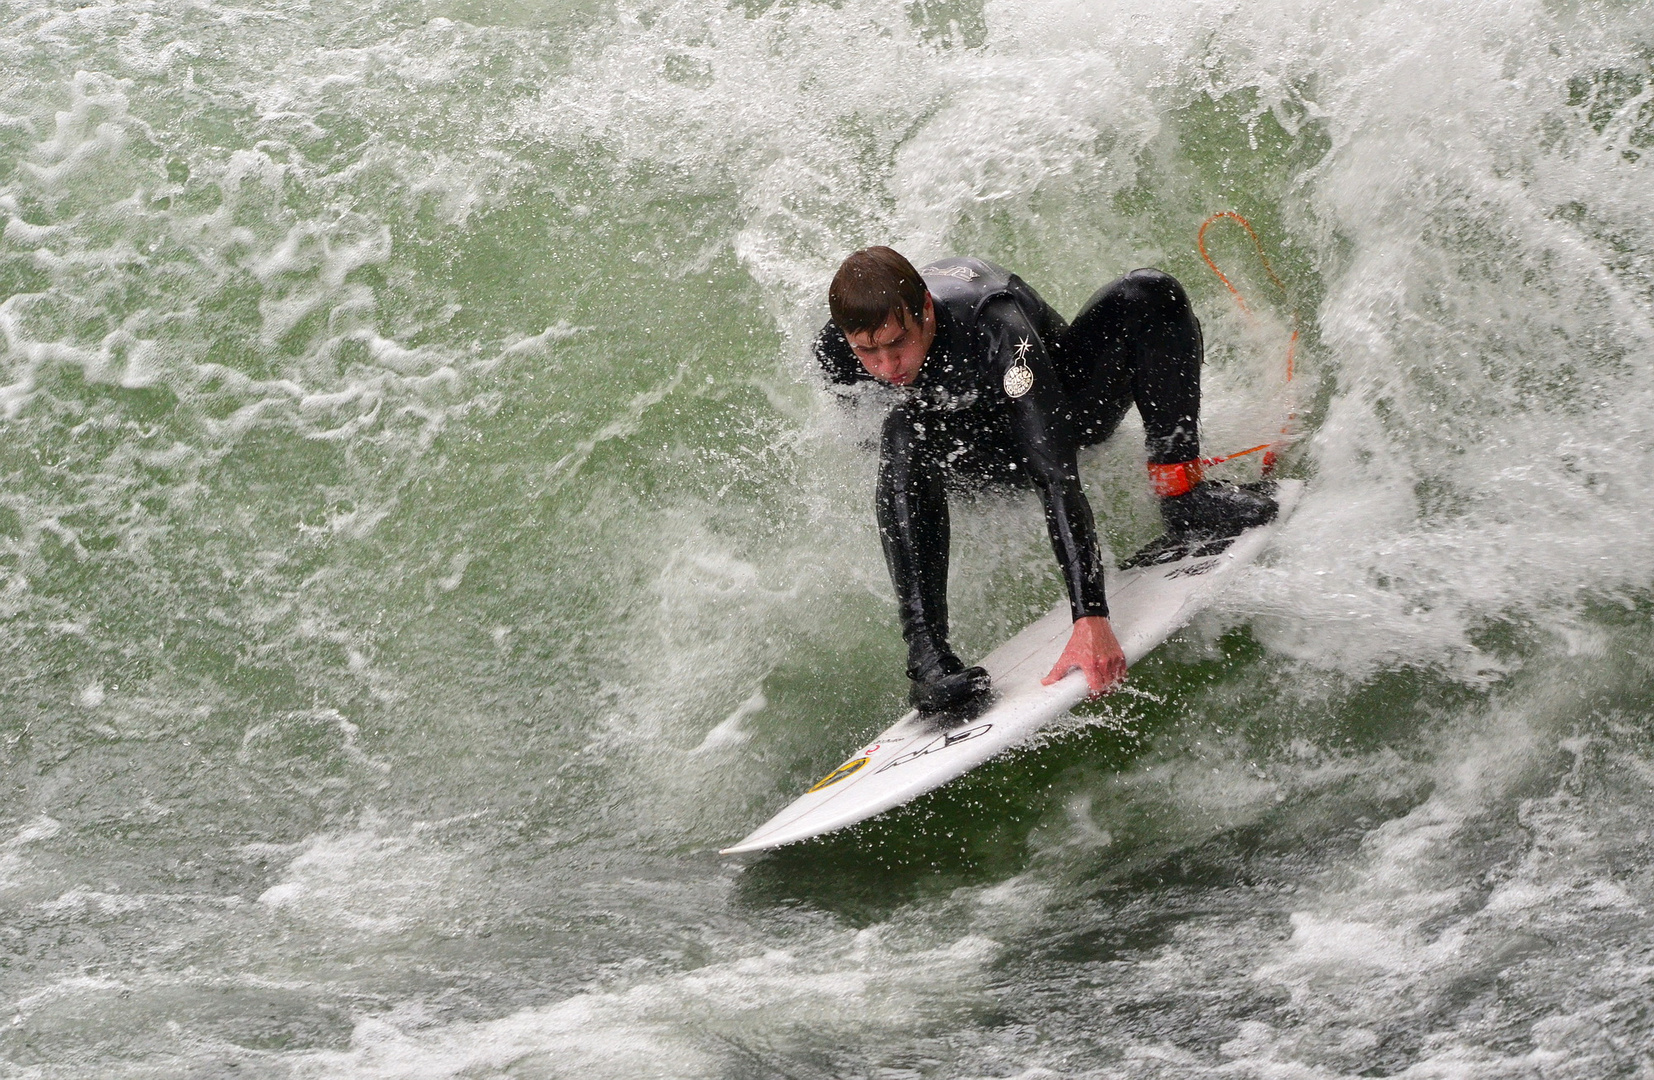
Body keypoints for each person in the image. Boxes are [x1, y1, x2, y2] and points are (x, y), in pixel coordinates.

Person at [814, 247, 1277, 713]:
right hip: (974, 454)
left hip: (1065, 414)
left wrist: (1090, 616)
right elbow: (876, 445)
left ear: (927, 311)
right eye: (868, 351)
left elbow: (1055, 474)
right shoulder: (839, 349)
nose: (887, 365)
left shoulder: (995, 326)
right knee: (902, 429)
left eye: (899, 344)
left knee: (1150, 293)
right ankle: (928, 661)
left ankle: (1183, 494)